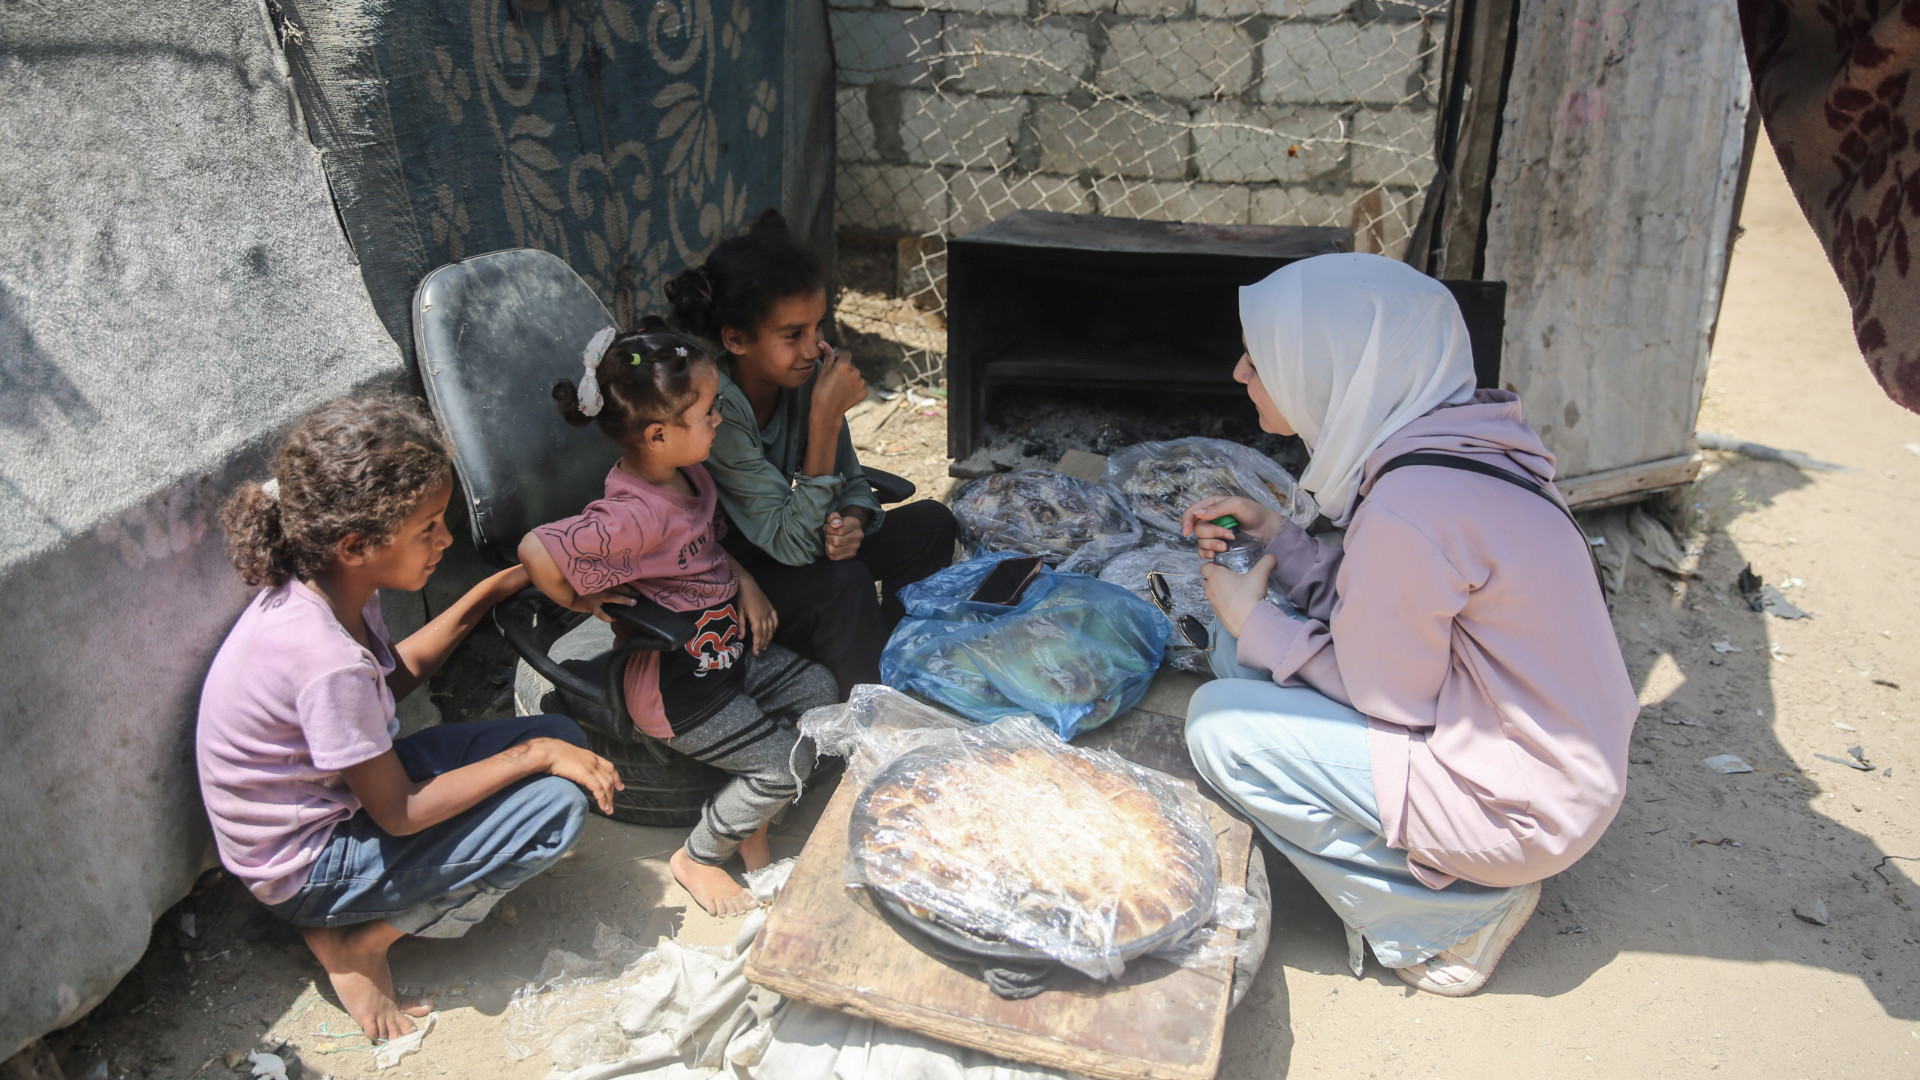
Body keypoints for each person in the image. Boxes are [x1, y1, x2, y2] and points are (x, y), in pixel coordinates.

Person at [1179, 253, 1638, 997]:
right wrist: (1279, 542)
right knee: (1242, 649)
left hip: (1519, 809)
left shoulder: (1408, 504)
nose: (1240, 373)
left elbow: (1387, 695)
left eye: (1260, 358)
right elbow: (1390, 609)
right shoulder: (1450, 452)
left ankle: (1448, 914)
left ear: (1333, 371)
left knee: (1219, 726)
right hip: (1544, 767)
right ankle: (1448, 863)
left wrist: (1257, 620)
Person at [198, 396, 622, 1042]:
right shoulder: (322, 658)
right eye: (428, 528)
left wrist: (503, 585)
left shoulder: (330, 588)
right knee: (555, 808)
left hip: (338, 802)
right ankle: (357, 943)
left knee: (563, 736)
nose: (445, 540)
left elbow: (392, 677)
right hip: (306, 863)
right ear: (355, 544)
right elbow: (399, 812)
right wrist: (530, 756)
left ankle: (353, 918)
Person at [519, 320, 839, 918]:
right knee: (785, 763)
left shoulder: (686, 472)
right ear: (660, 434)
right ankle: (699, 856)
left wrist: (742, 582)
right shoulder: (632, 516)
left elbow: (701, 547)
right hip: (678, 689)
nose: (719, 419)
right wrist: (578, 602)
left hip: (725, 653)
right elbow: (536, 552)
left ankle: (753, 821)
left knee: (820, 690)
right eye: (709, 413)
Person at [663, 211, 958, 693]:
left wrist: (856, 520)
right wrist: (823, 417)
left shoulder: (803, 380)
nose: (814, 347)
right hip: (743, 575)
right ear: (736, 338)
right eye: (792, 334)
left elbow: (855, 482)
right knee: (844, 585)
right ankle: (866, 712)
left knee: (931, 523)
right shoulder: (715, 410)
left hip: (802, 545)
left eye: (817, 326)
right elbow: (791, 546)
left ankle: (903, 661)